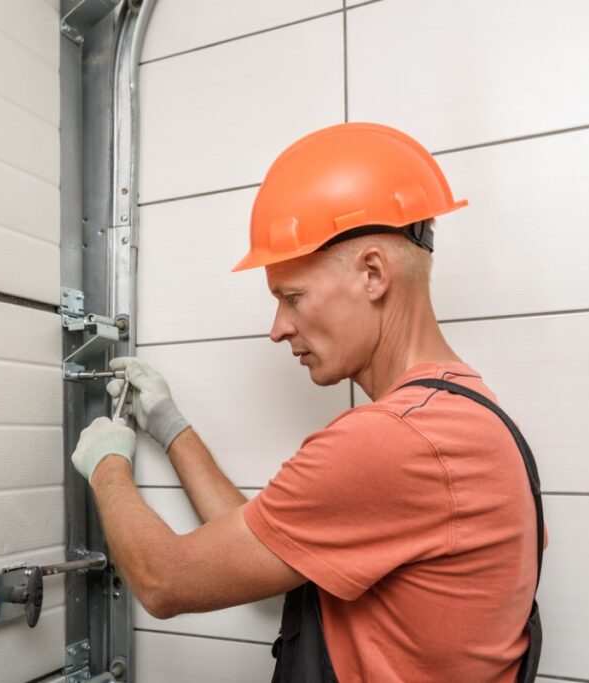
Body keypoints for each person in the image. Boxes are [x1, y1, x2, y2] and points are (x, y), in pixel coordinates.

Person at [70, 123, 544, 682]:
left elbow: (165, 581)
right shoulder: (466, 416)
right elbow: (266, 537)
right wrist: (172, 428)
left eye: (292, 297)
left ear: (373, 273)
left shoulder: (391, 443)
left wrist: (107, 465)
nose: (278, 329)